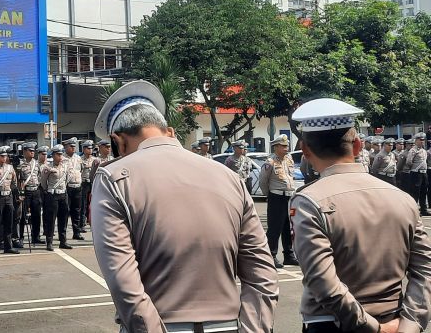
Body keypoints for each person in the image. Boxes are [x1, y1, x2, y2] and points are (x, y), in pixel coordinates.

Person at [91, 81, 278, 332]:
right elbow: (262, 274)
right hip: (229, 325)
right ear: (169, 131)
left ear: (118, 141)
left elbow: (123, 282)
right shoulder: (227, 176)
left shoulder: (113, 178)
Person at [290, 98, 431, 333]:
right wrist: (411, 323)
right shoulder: (402, 198)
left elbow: (322, 282)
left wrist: (371, 327)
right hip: (396, 320)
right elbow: (424, 270)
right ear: (357, 145)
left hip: (333, 323)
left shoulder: (309, 200)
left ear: (304, 150)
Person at [260, 133, 298, 268]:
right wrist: (269, 195)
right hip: (276, 196)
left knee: (288, 227)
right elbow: (263, 181)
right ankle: (271, 255)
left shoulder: (289, 159)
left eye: (286, 146)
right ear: (275, 147)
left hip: (289, 196)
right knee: (275, 228)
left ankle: (288, 255)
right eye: (282, 146)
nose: (286, 148)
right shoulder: (269, 162)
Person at [40, 145, 72, 252]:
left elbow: (67, 179)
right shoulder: (48, 168)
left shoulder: (65, 167)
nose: (60, 156)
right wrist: (49, 190)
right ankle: (49, 242)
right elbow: (43, 183)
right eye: (58, 154)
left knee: (63, 218)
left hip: (63, 194)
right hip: (52, 195)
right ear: (53, 155)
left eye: (61, 154)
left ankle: (63, 241)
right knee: (51, 219)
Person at [17, 141, 43, 246]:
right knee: (23, 216)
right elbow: (18, 180)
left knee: (36, 215)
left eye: (33, 151)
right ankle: (21, 237)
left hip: (35, 191)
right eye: (30, 151)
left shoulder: (36, 163)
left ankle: (36, 237)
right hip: (25, 191)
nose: (32, 153)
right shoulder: (20, 164)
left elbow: (40, 176)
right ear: (24, 151)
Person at [62, 137, 84, 240]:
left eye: (74, 146)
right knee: (65, 211)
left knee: (77, 210)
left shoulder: (78, 158)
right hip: (67, 187)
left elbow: (81, 170)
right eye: (71, 146)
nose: (73, 148)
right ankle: (63, 234)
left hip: (77, 187)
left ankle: (76, 232)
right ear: (66, 147)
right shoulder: (62, 158)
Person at [407, 132, 429, 215]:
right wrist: (414, 168)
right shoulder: (413, 150)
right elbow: (409, 162)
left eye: (423, 140)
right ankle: (414, 210)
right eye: (420, 140)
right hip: (416, 173)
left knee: (424, 191)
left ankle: (423, 209)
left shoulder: (423, 151)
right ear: (416, 140)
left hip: (424, 173)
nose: (422, 142)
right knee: (415, 192)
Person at [79, 140, 95, 231]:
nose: (90, 150)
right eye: (88, 148)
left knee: (92, 204)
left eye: (91, 148)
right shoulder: (80, 159)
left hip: (92, 183)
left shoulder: (94, 159)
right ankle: (82, 224)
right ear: (84, 149)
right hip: (84, 183)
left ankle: (92, 222)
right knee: (83, 204)